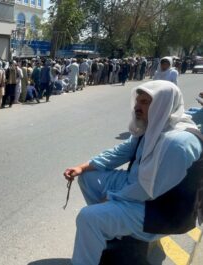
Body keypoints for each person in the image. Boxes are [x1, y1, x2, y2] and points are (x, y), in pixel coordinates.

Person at [63, 80, 202, 265]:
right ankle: (113, 229)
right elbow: (120, 152)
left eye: (145, 102)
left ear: (163, 103)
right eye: (138, 101)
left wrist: (114, 197)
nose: (137, 106)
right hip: (139, 189)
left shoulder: (178, 142)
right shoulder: (154, 125)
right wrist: (82, 167)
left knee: (89, 217)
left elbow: (151, 190)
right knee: (88, 177)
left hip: (161, 211)